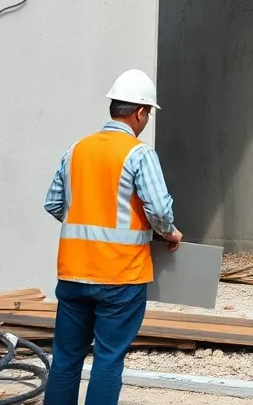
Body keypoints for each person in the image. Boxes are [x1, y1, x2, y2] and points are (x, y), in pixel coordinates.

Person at [42, 69, 183, 405]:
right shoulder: (139, 154)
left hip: (74, 273)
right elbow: (160, 212)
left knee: (65, 359)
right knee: (107, 361)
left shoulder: (76, 149)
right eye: (147, 114)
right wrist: (170, 233)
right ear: (140, 112)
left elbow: (53, 203)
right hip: (120, 278)